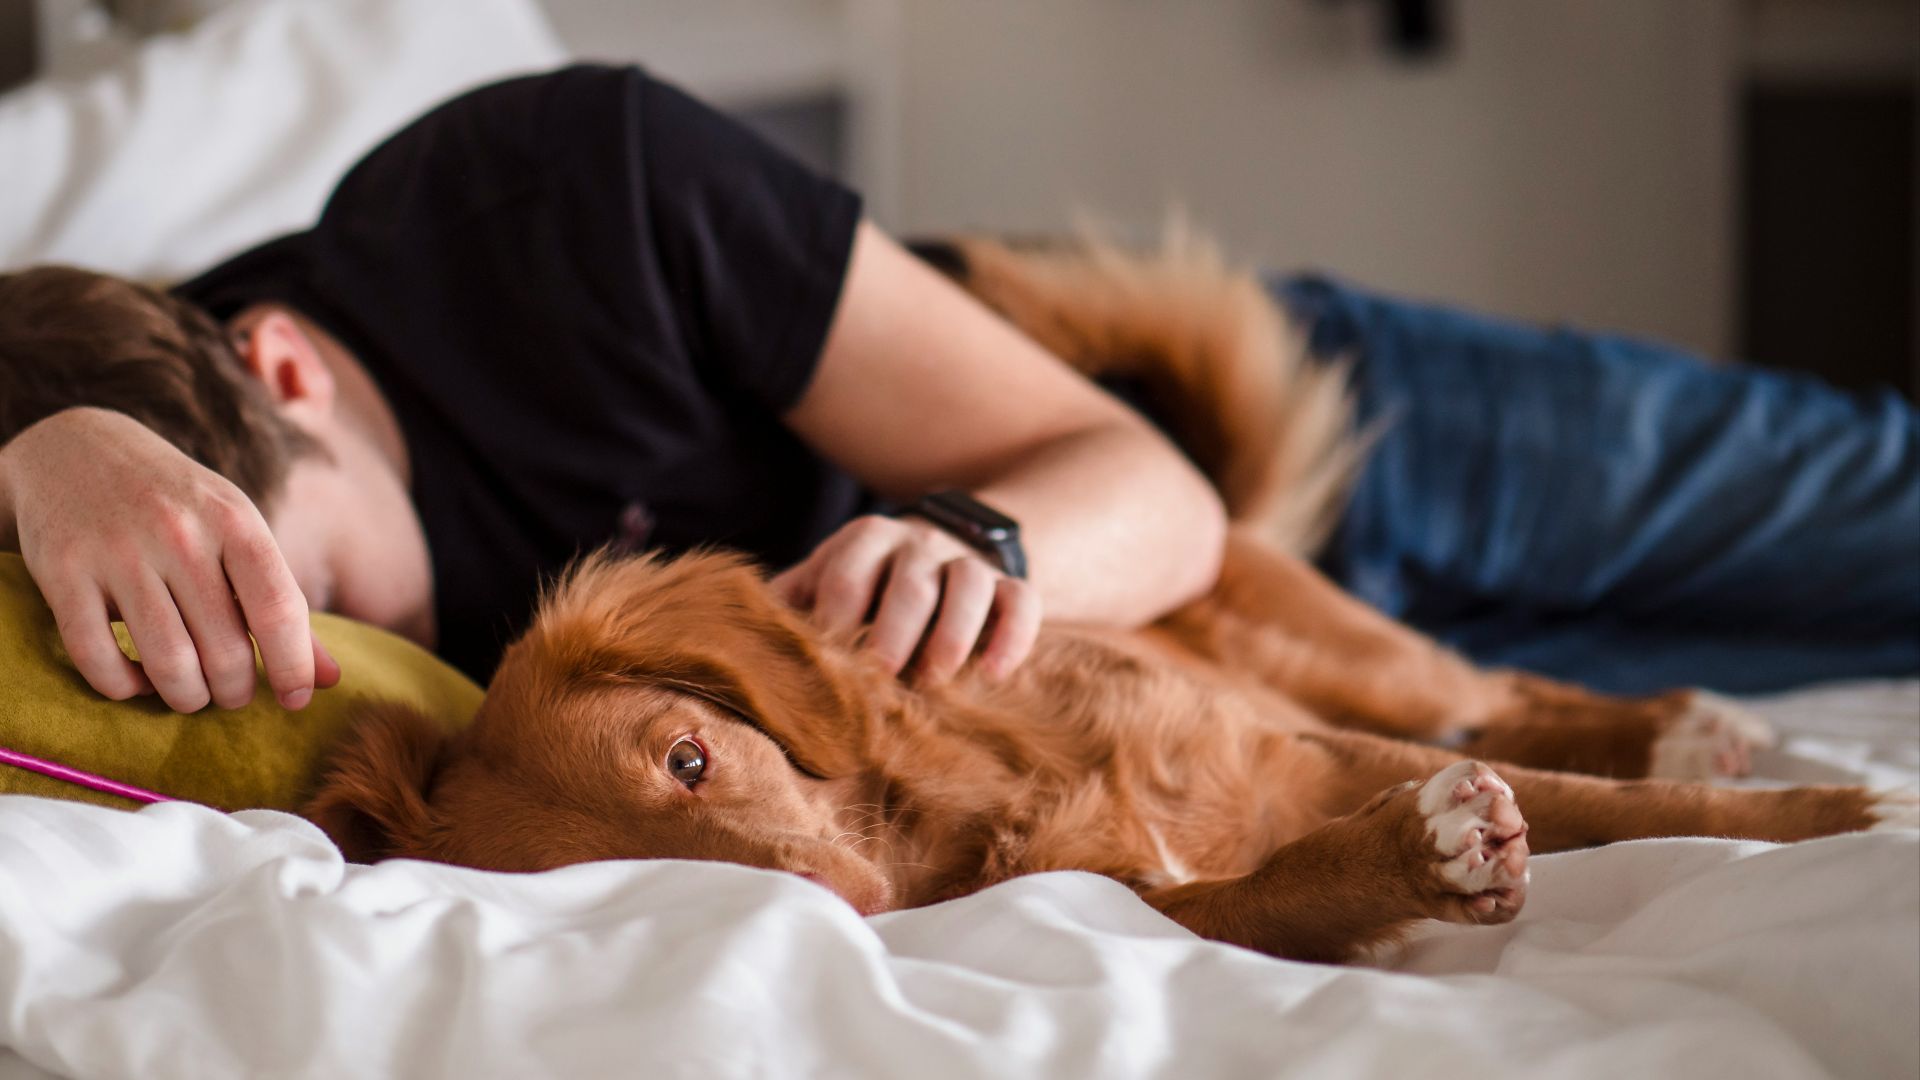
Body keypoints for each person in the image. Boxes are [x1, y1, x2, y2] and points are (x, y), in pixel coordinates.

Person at [0, 64, 1913, 714]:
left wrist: (974, 540)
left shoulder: (566, 194)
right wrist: (27, 438)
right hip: (1219, 704)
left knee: (1877, 514)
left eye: (307, 588)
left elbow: (1150, 483)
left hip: (1279, 444)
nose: (315, 664)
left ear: (284, 365)